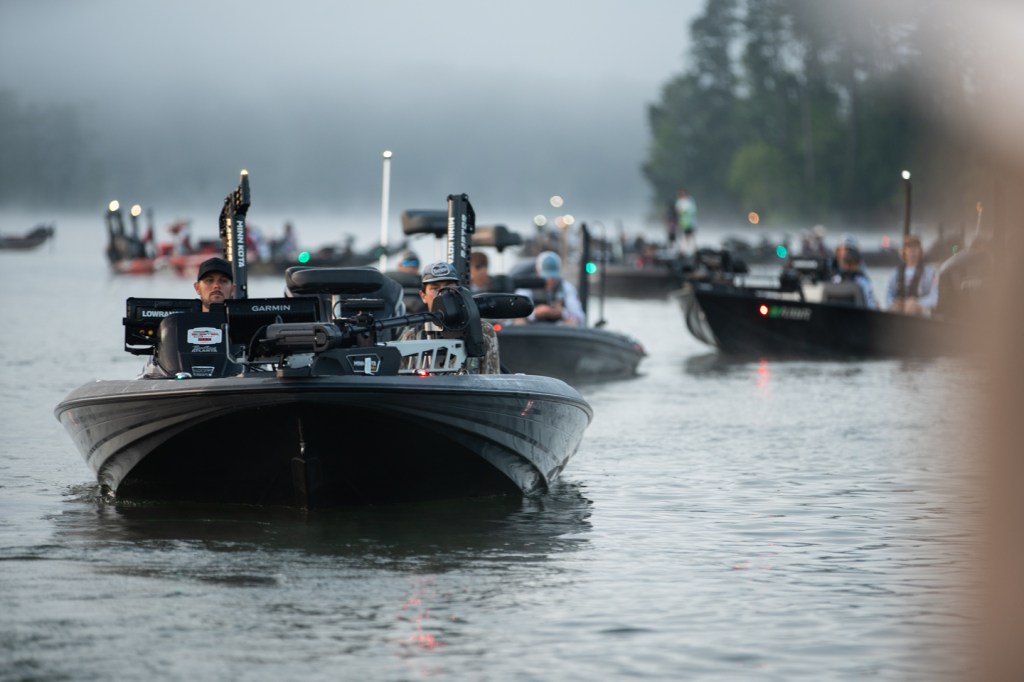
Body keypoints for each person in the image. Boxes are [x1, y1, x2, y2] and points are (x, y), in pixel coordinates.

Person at [398, 261, 500, 374]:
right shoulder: (412, 337)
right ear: (423, 296)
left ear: (459, 292)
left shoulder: (482, 331)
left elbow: (492, 379)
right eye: (435, 288)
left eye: (449, 287)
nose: (442, 294)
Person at [514, 251, 586, 326]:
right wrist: (535, 313)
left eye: (553, 277)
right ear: (537, 271)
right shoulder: (527, 286)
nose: (550, 280)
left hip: (557, 331)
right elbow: (515, 313)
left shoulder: (567, 288)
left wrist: (562, 313)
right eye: (546, 277)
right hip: (531, 331)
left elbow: (580, 317)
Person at [885, 234, 939, 315]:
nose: (912, 251)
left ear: (920, 251)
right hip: (900, 310)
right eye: (909, 248)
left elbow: (934, 297)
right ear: (904, 251)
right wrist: (894, 303)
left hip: (921, 311)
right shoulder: (896, 273)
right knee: (894, 308)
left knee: (911, 307)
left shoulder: (930, 272)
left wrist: (918, 303)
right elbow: (888, 296)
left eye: (915, 248)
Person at [831, 243, 878, 309]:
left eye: (852, 263)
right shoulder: (836, 279)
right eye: (848, 263)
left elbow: (870, 302)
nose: (849, 266)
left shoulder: (863, 281)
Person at [675, 188, 698, 254]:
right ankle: (682, 250)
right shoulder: (679, 201)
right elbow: (677, 210)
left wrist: (683, 211)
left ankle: (693, 250)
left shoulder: (690, 201)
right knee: (683, 236)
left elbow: (692, 211)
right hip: (682, 222)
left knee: (690, 236)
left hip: (689, 222)